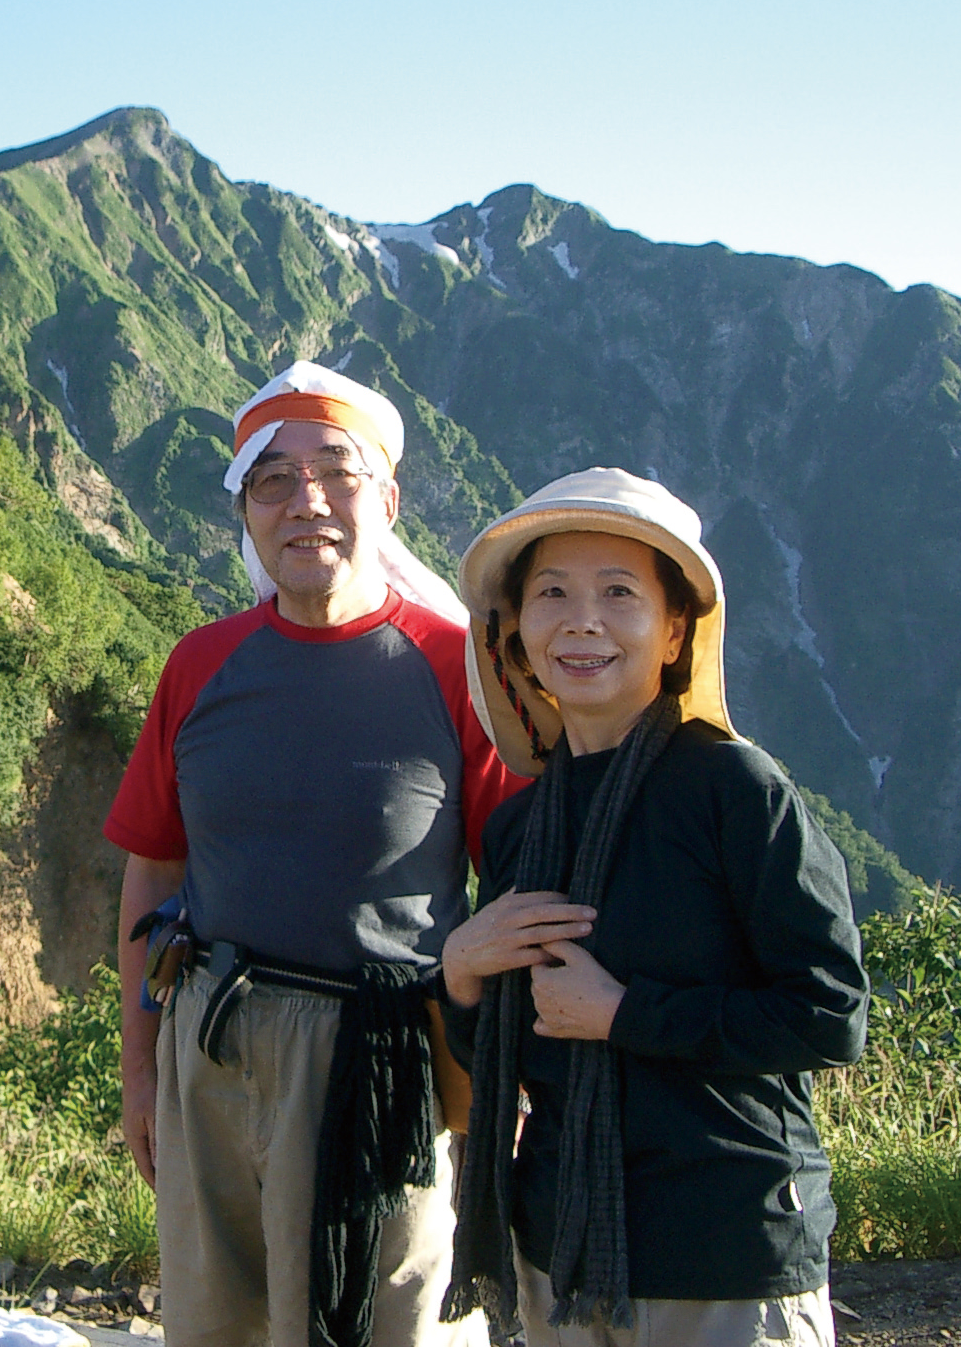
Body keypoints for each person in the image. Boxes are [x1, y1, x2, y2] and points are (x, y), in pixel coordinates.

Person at [106, 361, 525, 1347]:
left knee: (389, 1323)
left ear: (382, 500)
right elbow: (154, 870)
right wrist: (137, 1069)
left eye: (335, 472)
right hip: (207, 1039)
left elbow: (518, 888)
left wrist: (512, 1073)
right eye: (271, 481)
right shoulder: (200, 665)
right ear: (245, 514)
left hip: (382, 1058)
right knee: (216, 1322)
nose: (306, 503)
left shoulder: (454, 670)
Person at [438, 467, 869, 1347]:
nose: (582, 619)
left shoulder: (732, 792)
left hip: (719, 1249)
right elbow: (515, 1054)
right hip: (559, 1247)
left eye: (619, 593)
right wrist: (462, 972)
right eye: (551, 592)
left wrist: (627, 1014)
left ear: (675, 631)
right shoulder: (524, 824)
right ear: (516, 632)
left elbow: (829, 1015)